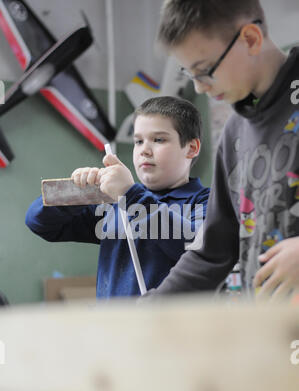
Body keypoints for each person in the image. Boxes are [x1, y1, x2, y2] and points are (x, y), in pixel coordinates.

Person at [146, 0, 299, 299]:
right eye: (191, 74)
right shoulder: (235, 132)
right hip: (266, 330)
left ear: (251, 39)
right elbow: (213, 250)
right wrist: (150, 309)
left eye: (205, 71)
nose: (201, 87)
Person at [25, 96, 210, 298]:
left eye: (159, 139)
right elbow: (39, 223)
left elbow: (196, 247)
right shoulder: (114, 203)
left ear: (191, 148)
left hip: (174, 327)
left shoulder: (206, 202)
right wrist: (78, 192)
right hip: (115, 326)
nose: (144, 151)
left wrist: (130, 194)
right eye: (138, 141)